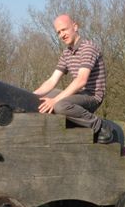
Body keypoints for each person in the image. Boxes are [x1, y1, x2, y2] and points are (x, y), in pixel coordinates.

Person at [33, 14, 113, 143]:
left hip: (92, 96)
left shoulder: (88, 48)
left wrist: (54, 101)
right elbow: (52, 81)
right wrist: (30, 96)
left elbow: (81, 81)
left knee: (60, 105)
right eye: (58, 32)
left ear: (75, 27)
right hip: (79, 94)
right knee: (44, 98)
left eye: (64, 30)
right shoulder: (67, 53)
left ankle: (100, 125)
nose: (62, 35)